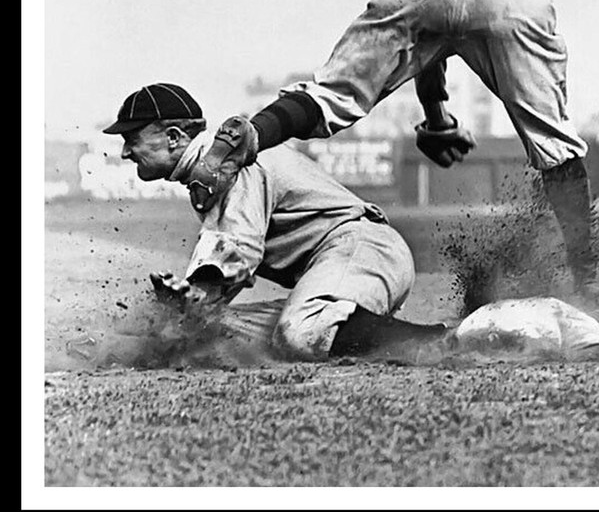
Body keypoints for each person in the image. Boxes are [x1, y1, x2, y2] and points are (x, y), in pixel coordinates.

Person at [185, 0, 599, 295]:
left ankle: (254, 133)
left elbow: (427, 56)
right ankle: (587, 274)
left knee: (331, 95)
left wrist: (437, 121)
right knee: (556, 145)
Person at [103, 82, 447, 361]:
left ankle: (444, 341)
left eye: (132, 138)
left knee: (300, 332)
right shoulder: (211, 170)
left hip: (360, 248)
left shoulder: (229, 164)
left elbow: (238, 255)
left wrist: (195, 297)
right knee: (211, 334)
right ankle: (361, 326)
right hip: (341, 266)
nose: (125, 151)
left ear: (174, 137)